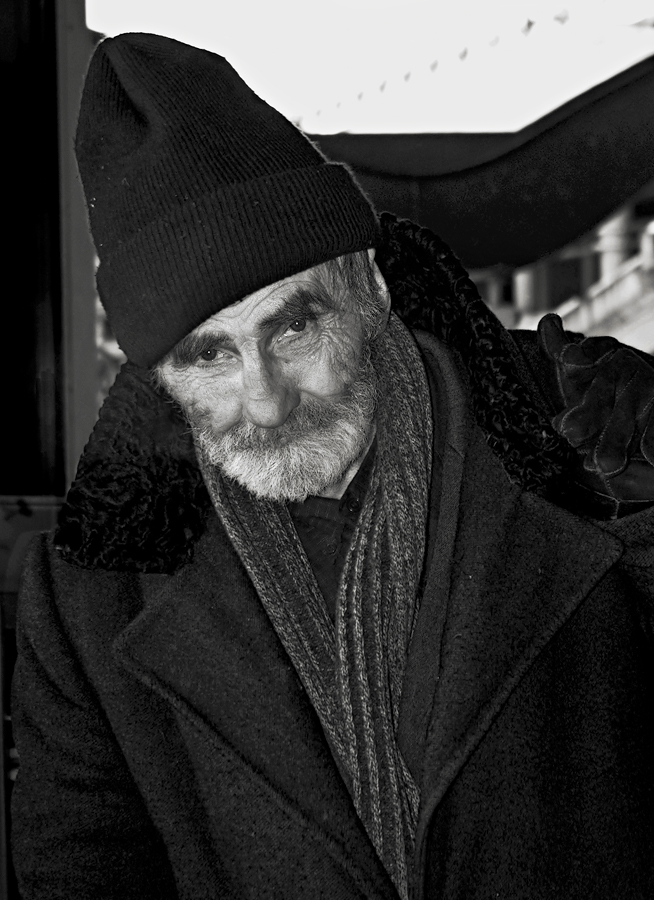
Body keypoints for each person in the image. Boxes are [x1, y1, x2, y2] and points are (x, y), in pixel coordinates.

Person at [10, 32, 654, 900]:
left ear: (369, 287)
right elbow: (82, 867)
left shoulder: (584, 448)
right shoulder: (90, 599)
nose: (267, 401)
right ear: (158, 376)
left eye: (292, 327)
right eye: (209, 356)